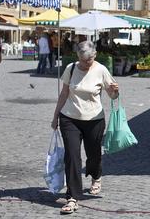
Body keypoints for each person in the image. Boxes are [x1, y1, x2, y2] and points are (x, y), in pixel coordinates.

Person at [50, 41, 119, 215]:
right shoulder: (71, 68)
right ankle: (73, 197)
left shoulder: (101, 70)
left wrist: (115, 91)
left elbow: (113, 94)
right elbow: (64, 93)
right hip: (69, 118)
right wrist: (55, 116)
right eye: (81, 60)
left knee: (93, 155)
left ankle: (96, 175)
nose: (84, 63)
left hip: (94, 120)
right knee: (72, 156)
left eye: (87, 60)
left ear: (94, 56)